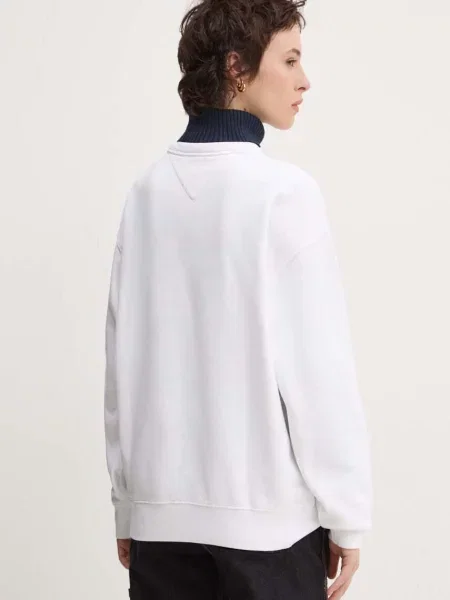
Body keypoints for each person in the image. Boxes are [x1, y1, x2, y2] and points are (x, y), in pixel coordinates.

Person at [103, 1, 373, 598]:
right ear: (236, 67)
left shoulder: (145, 192)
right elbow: (318, 370)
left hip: (160, 528)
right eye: (290, 60)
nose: (305, 80)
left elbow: (122, 365)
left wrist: (128, 505)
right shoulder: (284, 194)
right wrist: (347, 513)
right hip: (268, 535)